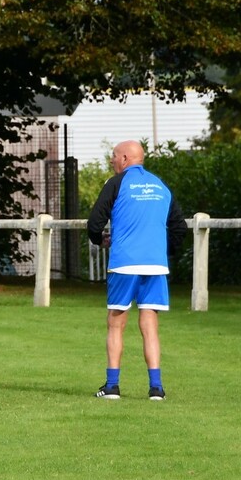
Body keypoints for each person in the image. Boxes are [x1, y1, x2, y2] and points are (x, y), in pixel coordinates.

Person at [87, 140, 186, 401]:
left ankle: (112, 386)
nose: (111, 160)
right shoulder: (160, 185)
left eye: (113, 156)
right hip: (155, 265)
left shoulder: (116, 184)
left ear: (124, 158)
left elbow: (95, 222)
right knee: (150, 323)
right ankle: (156, 389)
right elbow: (180, 228)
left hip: (125, 263)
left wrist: (99, 240)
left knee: (116, 322)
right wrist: (162, 252)